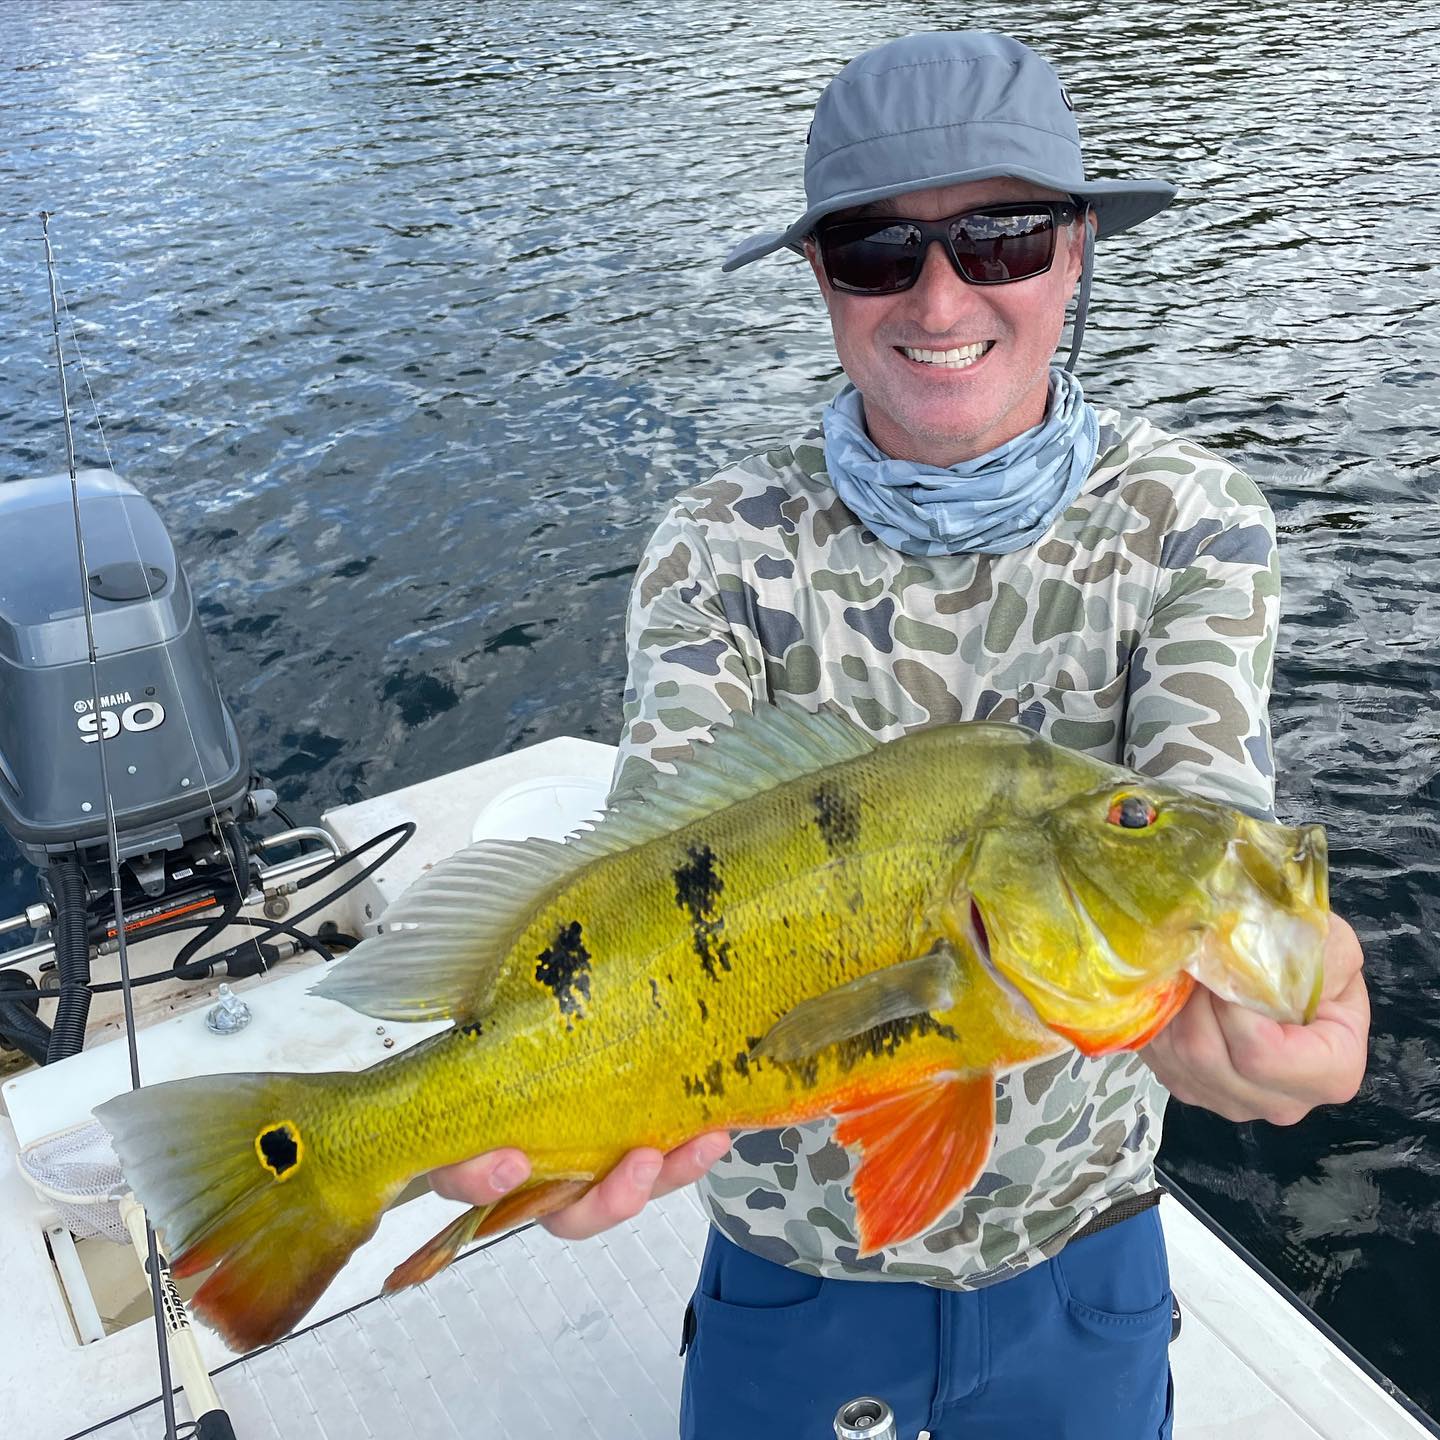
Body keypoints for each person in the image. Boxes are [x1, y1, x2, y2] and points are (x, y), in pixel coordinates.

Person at [432, 31, 1370, 1439]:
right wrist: (560, 1103)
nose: (941, 296)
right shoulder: (715, 546)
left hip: (1083, 1245)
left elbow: (1196, 809)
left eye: (1002, 237)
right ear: (820, 277)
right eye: (878, 249)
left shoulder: (1195, 518)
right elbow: (659, 886)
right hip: (787, 1262)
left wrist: (1271, 996)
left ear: (1076, 255)